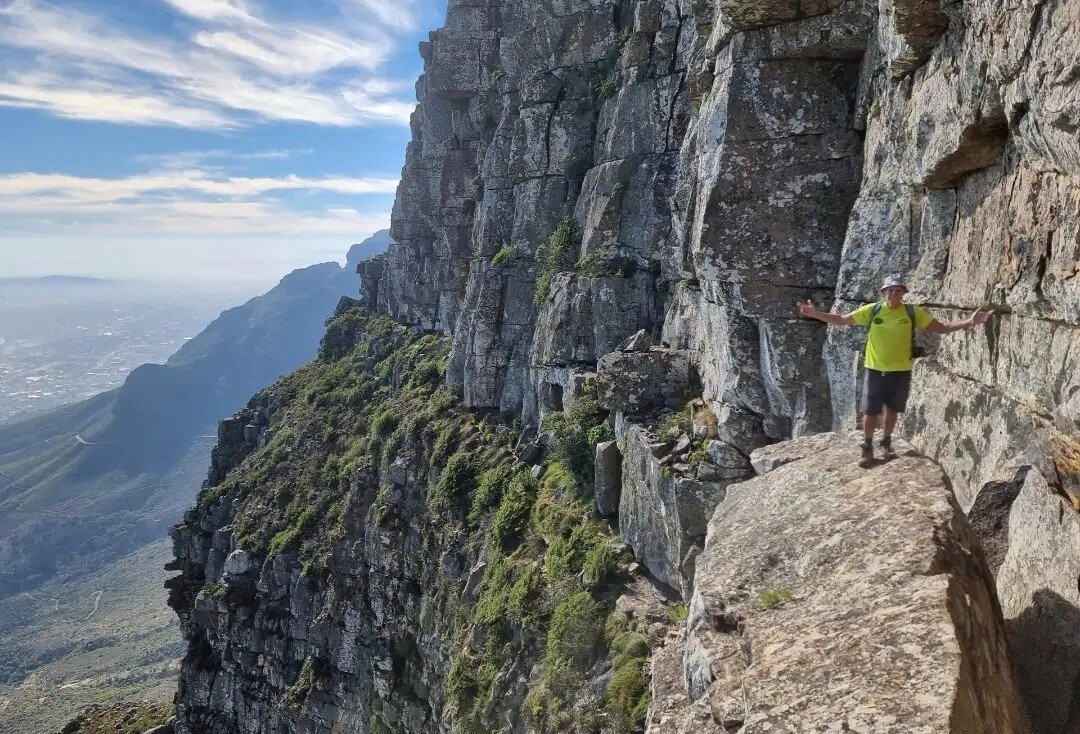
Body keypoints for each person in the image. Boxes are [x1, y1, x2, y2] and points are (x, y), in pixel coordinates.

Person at [798, 274, 993, 464]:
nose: (894, 294)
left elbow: (942, 327)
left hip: (901, 370)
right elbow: (842, 319)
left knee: (892, 409)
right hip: (875, 369)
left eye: (898, 290)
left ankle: (886, 441)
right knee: (871, 411)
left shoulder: (912, 312)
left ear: (903, 294)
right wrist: (815, 314)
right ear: (884, 293)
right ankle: (867, 445)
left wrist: (970, 321)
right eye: (890, 290)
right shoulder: (872, 310)